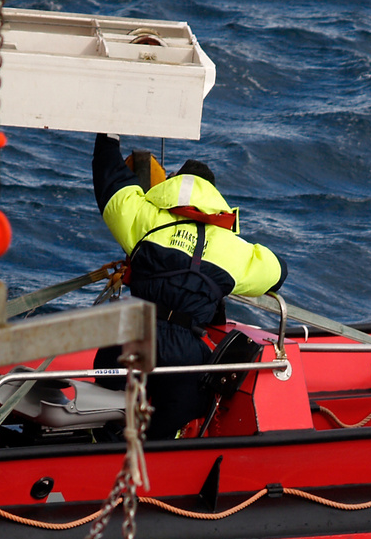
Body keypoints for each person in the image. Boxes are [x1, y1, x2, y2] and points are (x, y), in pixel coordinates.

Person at [91, 132, 286, 438]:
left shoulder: (146, 217)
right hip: (186, 350)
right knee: (172, 421)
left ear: (172, 187)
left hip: (133, 336)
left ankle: (99, 447)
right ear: (215, 199)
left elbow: (111, 181)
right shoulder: (234, 249)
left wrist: (107, 139)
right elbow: (276, 271)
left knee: (105, 413)